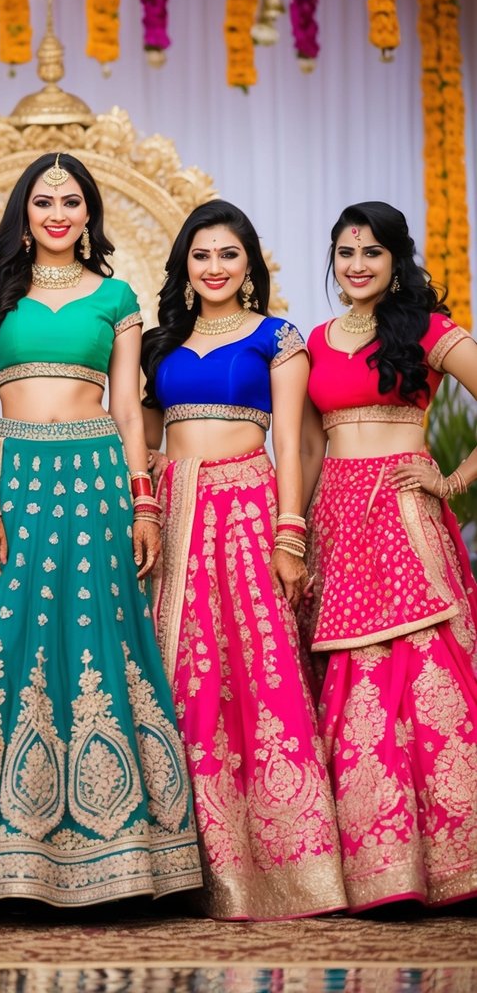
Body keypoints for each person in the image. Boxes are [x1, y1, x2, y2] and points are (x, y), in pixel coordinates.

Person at [0, 152, 203, 906]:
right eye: (44, 201)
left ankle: (126, 853)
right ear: (23, 213)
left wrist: (143, 503)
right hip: (19, 479)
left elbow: (132, 411)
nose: (59, 213)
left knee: (101, 641)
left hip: (99, 479)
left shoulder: (116, 296)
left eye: (72, 201)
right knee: (12, 643)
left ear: (89, 215)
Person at [140, 200, 347, 921]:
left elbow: (291, 444)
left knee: (257, 675)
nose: (214, 267)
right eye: (201, 256)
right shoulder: (161, 339)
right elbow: (141, 443)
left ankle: (282, 868)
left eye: (228, 254)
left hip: (247, 510)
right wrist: (141, 511)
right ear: (184, 266)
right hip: (171, 517)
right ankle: (178, 865)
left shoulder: (276, 338)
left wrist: (291, 534)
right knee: (178, 679)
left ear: (249, 265)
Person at [300, 200, 477, 911]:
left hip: (404, 516)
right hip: (337, 524)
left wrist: (451, 479)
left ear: (395, 260)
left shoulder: (427, 330)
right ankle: (382, 873)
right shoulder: (314, 338)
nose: (356, 265)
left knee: (427, 686)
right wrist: (295, 532)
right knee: (357, 690)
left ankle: (457, 866)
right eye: (345, 252)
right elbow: (310, 447)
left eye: (371, 252)